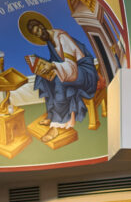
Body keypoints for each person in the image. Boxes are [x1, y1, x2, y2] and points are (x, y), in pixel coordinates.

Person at [20, 12, 99, 142]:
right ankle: (52, 114)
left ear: (42, 25)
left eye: (39, 29)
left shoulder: (61, 37)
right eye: (36, 34)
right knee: (43, 78)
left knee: (59, 81)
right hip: (71, 70)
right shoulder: (50, 41)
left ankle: (57, 124)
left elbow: (72, 67)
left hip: (85, 72)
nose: (39, 34)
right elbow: (55, 60)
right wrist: (43, 66)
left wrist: (53, 66)